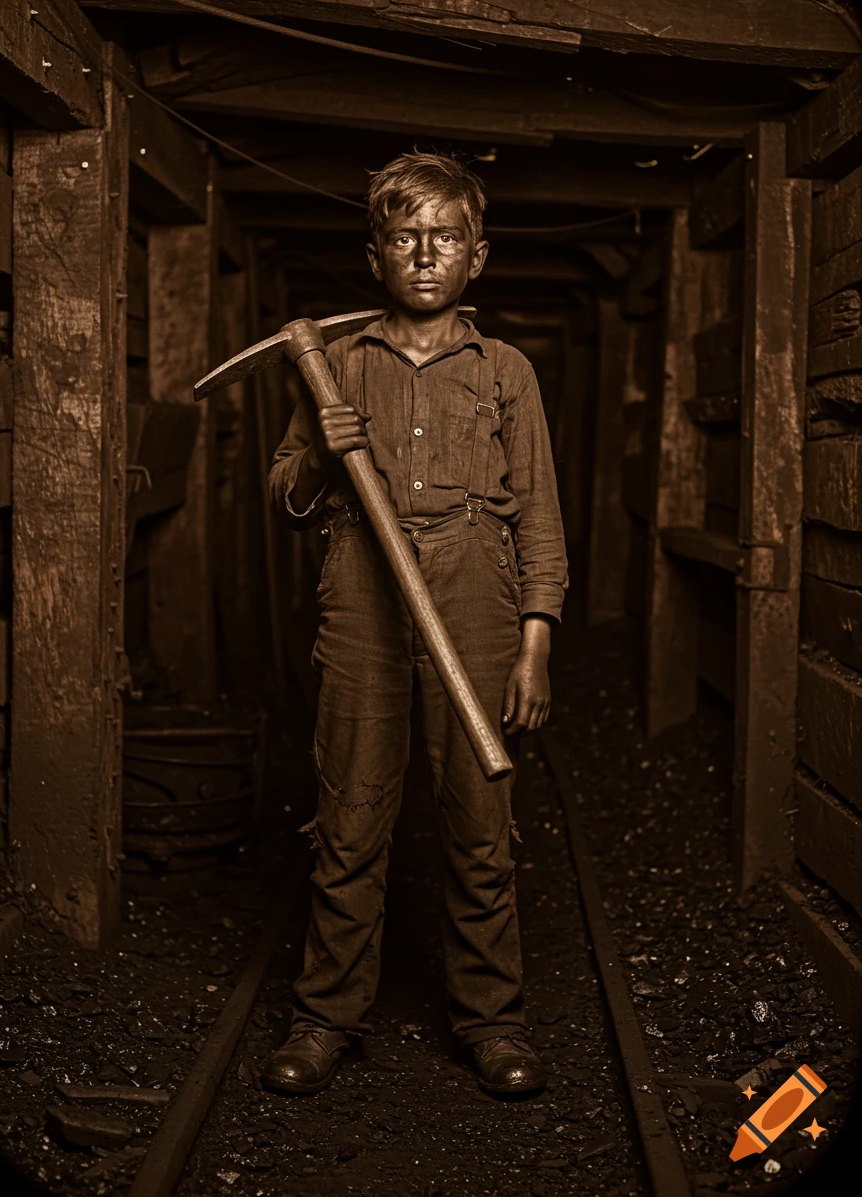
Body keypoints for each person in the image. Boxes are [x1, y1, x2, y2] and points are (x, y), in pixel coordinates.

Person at [264, 151, 568, 1098]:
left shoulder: (507, 371)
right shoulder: (337, 364)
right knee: (352, 815)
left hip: (476, 582)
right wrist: (319, 446)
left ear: (478, 257)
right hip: (363, 579)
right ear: (375, 254)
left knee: (480, 818)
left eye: (446, 239)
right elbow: (286, 496)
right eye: (406, 238)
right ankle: (326, 1019)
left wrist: (536, 640)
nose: (425, 255)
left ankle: (492, 1022)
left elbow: (543, 520)